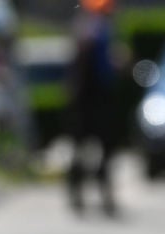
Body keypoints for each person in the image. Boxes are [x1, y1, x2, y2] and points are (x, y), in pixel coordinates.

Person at [64, 0, 122, 216]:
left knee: (94, 150)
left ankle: (90, 194)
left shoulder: (87, 28)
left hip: (86, 100)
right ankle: (89, 194)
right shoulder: (96, 30)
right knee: (92, 149)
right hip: (92, 100)